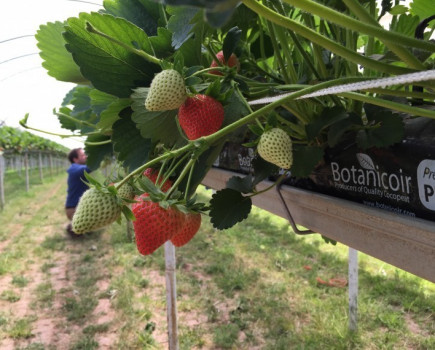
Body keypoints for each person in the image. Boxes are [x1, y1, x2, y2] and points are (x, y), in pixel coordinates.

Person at [65, 148, 91, 236]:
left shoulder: (75, 168)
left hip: (77, 206)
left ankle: (76, 226)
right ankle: (73, 227)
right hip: (73, 208)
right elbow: (88, 168)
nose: (86, 157)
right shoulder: (74, 169)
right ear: (75, 159)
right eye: (83, 155)